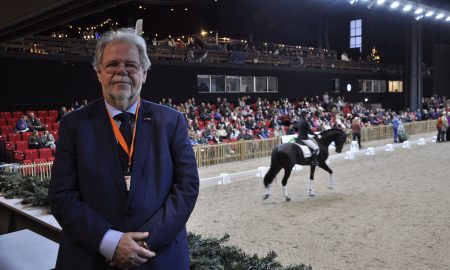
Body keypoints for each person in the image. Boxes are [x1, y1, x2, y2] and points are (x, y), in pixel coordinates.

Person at [48, 28, 199, 270]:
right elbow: (61, 196)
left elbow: (187, 188)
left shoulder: (172, 122)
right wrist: (110, 242)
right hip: (91, 258)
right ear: (99, 72)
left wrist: (143, 245)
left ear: (145, 73)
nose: (121, 71)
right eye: (112, 65)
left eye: (131, 64)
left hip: (157, 258)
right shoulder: (73, 125)